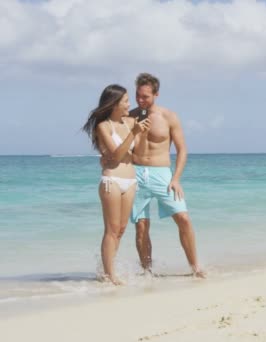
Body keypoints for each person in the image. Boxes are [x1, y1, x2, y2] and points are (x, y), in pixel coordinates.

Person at [128, 73, 204, 277]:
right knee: (141, 226)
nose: (141, 100)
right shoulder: (130, 116)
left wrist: (176, 178)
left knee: (183, 218)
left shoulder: (169, 117)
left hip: (162, 173)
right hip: (136, 173)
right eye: (138, 95)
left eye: (145, 96)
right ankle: (147, 273)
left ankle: (195, 268)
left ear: (156, 94)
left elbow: (182, 150)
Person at [82, 84, 150, 285]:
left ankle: (106, 270)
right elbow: (116, 155)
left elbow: (137, 153)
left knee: (120, 229)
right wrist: (134, 132)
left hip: (130, 181)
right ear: (114, 104)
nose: (130, 104)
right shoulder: (103, 126)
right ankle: (111, 275)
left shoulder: (130, 121)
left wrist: (140, 133)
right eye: (126, 100)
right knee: (111, 230)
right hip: (112, 181)